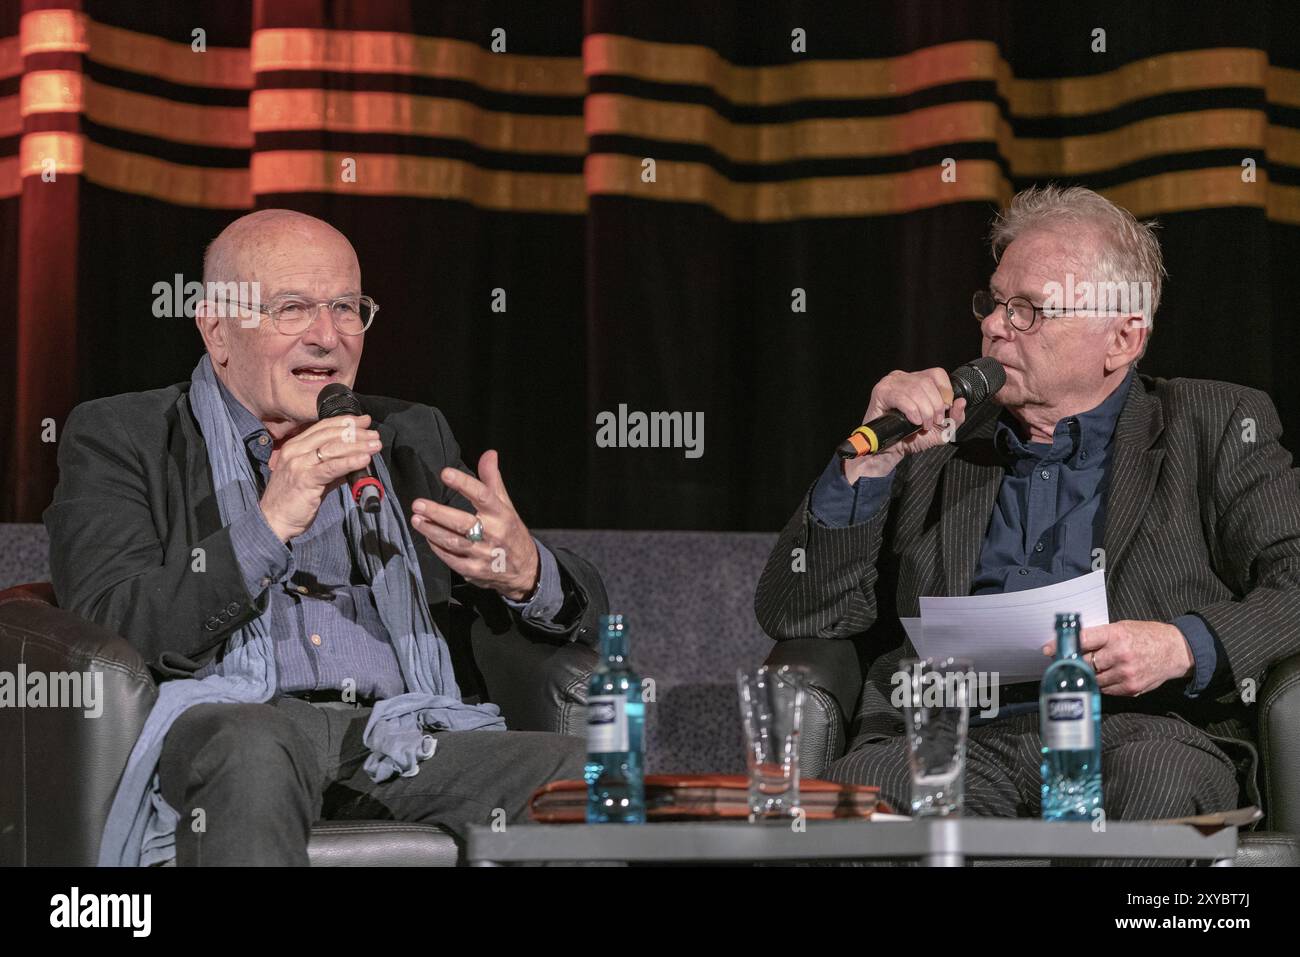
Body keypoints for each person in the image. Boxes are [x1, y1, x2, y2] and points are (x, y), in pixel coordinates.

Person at [45, 209, 605, 866]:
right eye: (293, 308)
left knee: (586, 771)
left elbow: (579, 602)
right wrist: (267, 523)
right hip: (236, 722)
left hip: (400, 733)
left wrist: (527, 573)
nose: (328, 337)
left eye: (346, 307)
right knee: (252, 745)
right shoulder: (124, 436)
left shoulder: (409, 437)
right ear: (217, 329)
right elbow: (113, 621)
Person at [754, 185, 1300, 834]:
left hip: (1138, 731)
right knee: (872, 792)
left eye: (1030, 309)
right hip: (942, 732)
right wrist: (867, 463)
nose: (992, 325)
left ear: (1123, 337)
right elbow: (796, 611)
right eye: (993, 302)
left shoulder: (1213, 424)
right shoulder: (933, 439)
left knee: (1160, 784)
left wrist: (1183, 643)